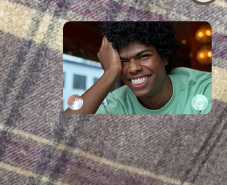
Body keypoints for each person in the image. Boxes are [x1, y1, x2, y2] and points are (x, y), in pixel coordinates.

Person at [65, 21, 211, 115]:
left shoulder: (204, 88)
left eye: (143, 56)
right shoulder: (119, 103)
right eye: (123, 61)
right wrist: (110, 73)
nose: (133, 68)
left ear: (165, 57)